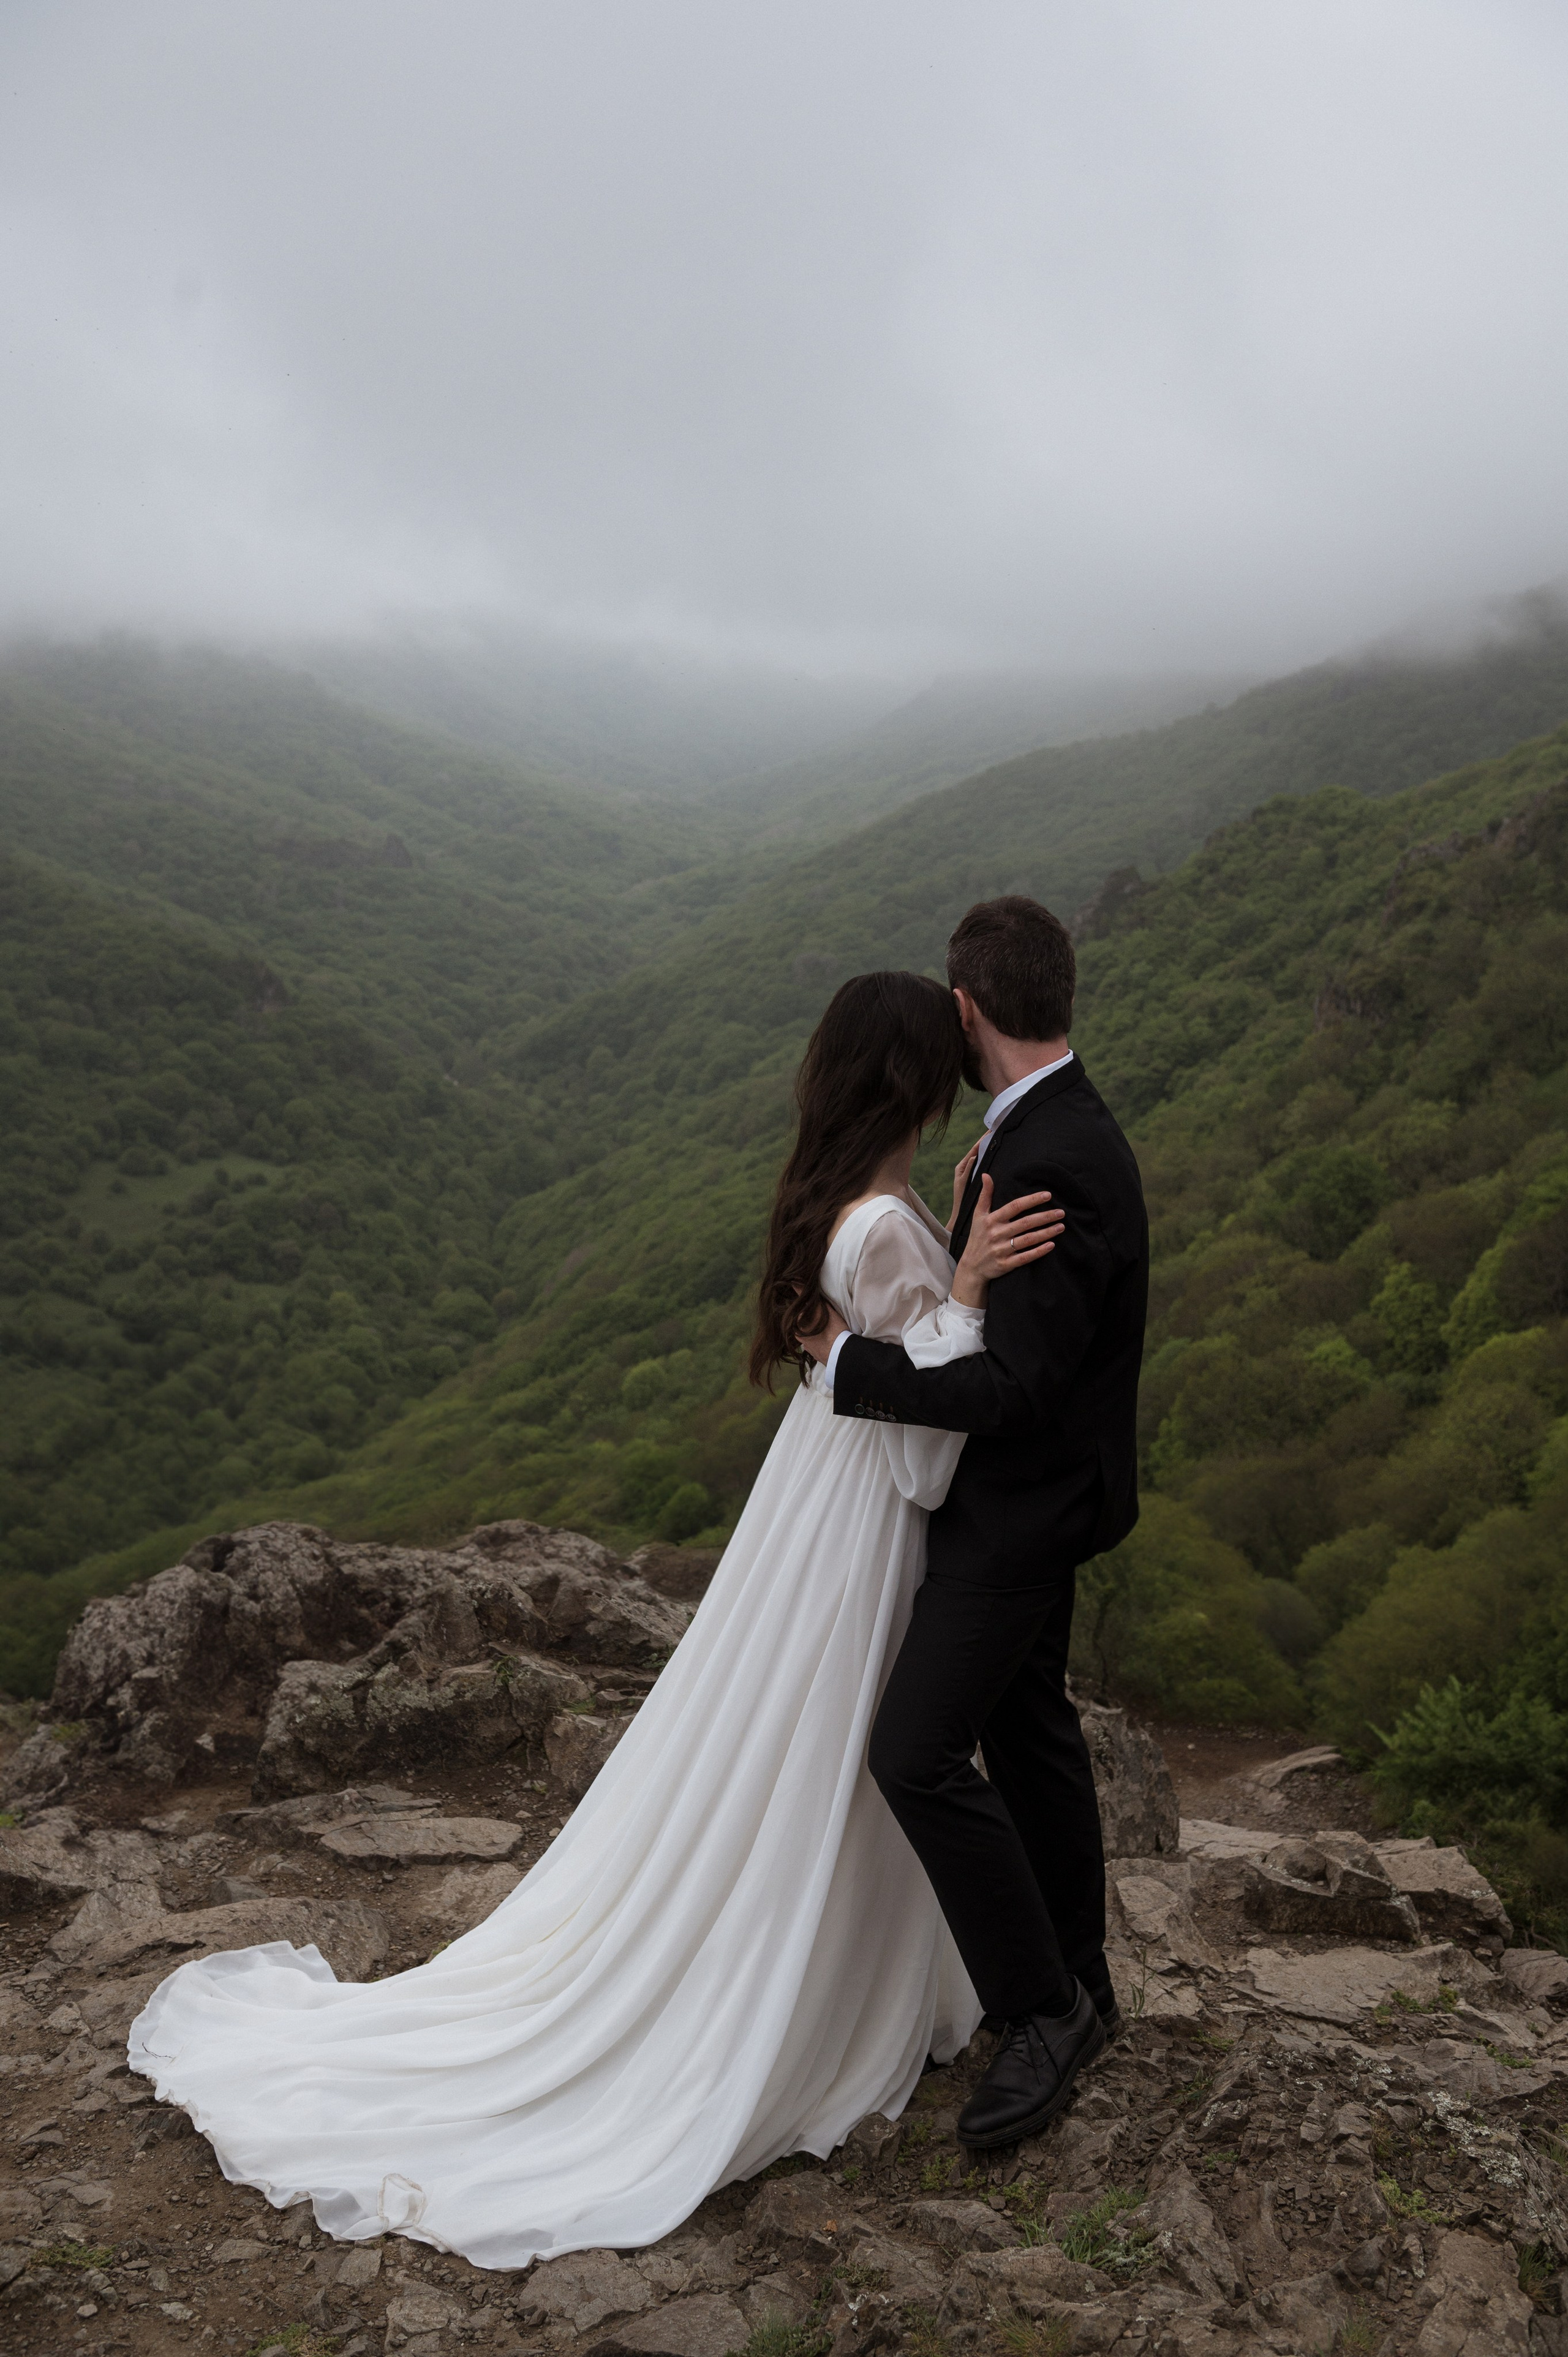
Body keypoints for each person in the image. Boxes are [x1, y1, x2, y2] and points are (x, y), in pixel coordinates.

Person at [128, 970, 1064, 2271]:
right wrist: (965, 1289)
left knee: (789, 1752)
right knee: (851, 1752)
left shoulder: (845, 1204)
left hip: (804, 1519)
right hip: (863, 1532)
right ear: (916, 1077)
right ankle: (828, 1993)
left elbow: (853, 1365)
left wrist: (940, 1246)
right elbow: (918, 1456)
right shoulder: (894, 1234)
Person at [799, 897, 1150, 2152]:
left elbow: (1011, 1389)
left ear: (963, 1010)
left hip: (1014, 1511)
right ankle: (1084, 1982)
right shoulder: (1040, 1132)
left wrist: (850, 1371)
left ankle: (1041, 2009)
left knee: (915, 1753)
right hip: (1047, 1498)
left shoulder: (1047, 1152)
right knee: (1031, 1728)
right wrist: (959, 1250)